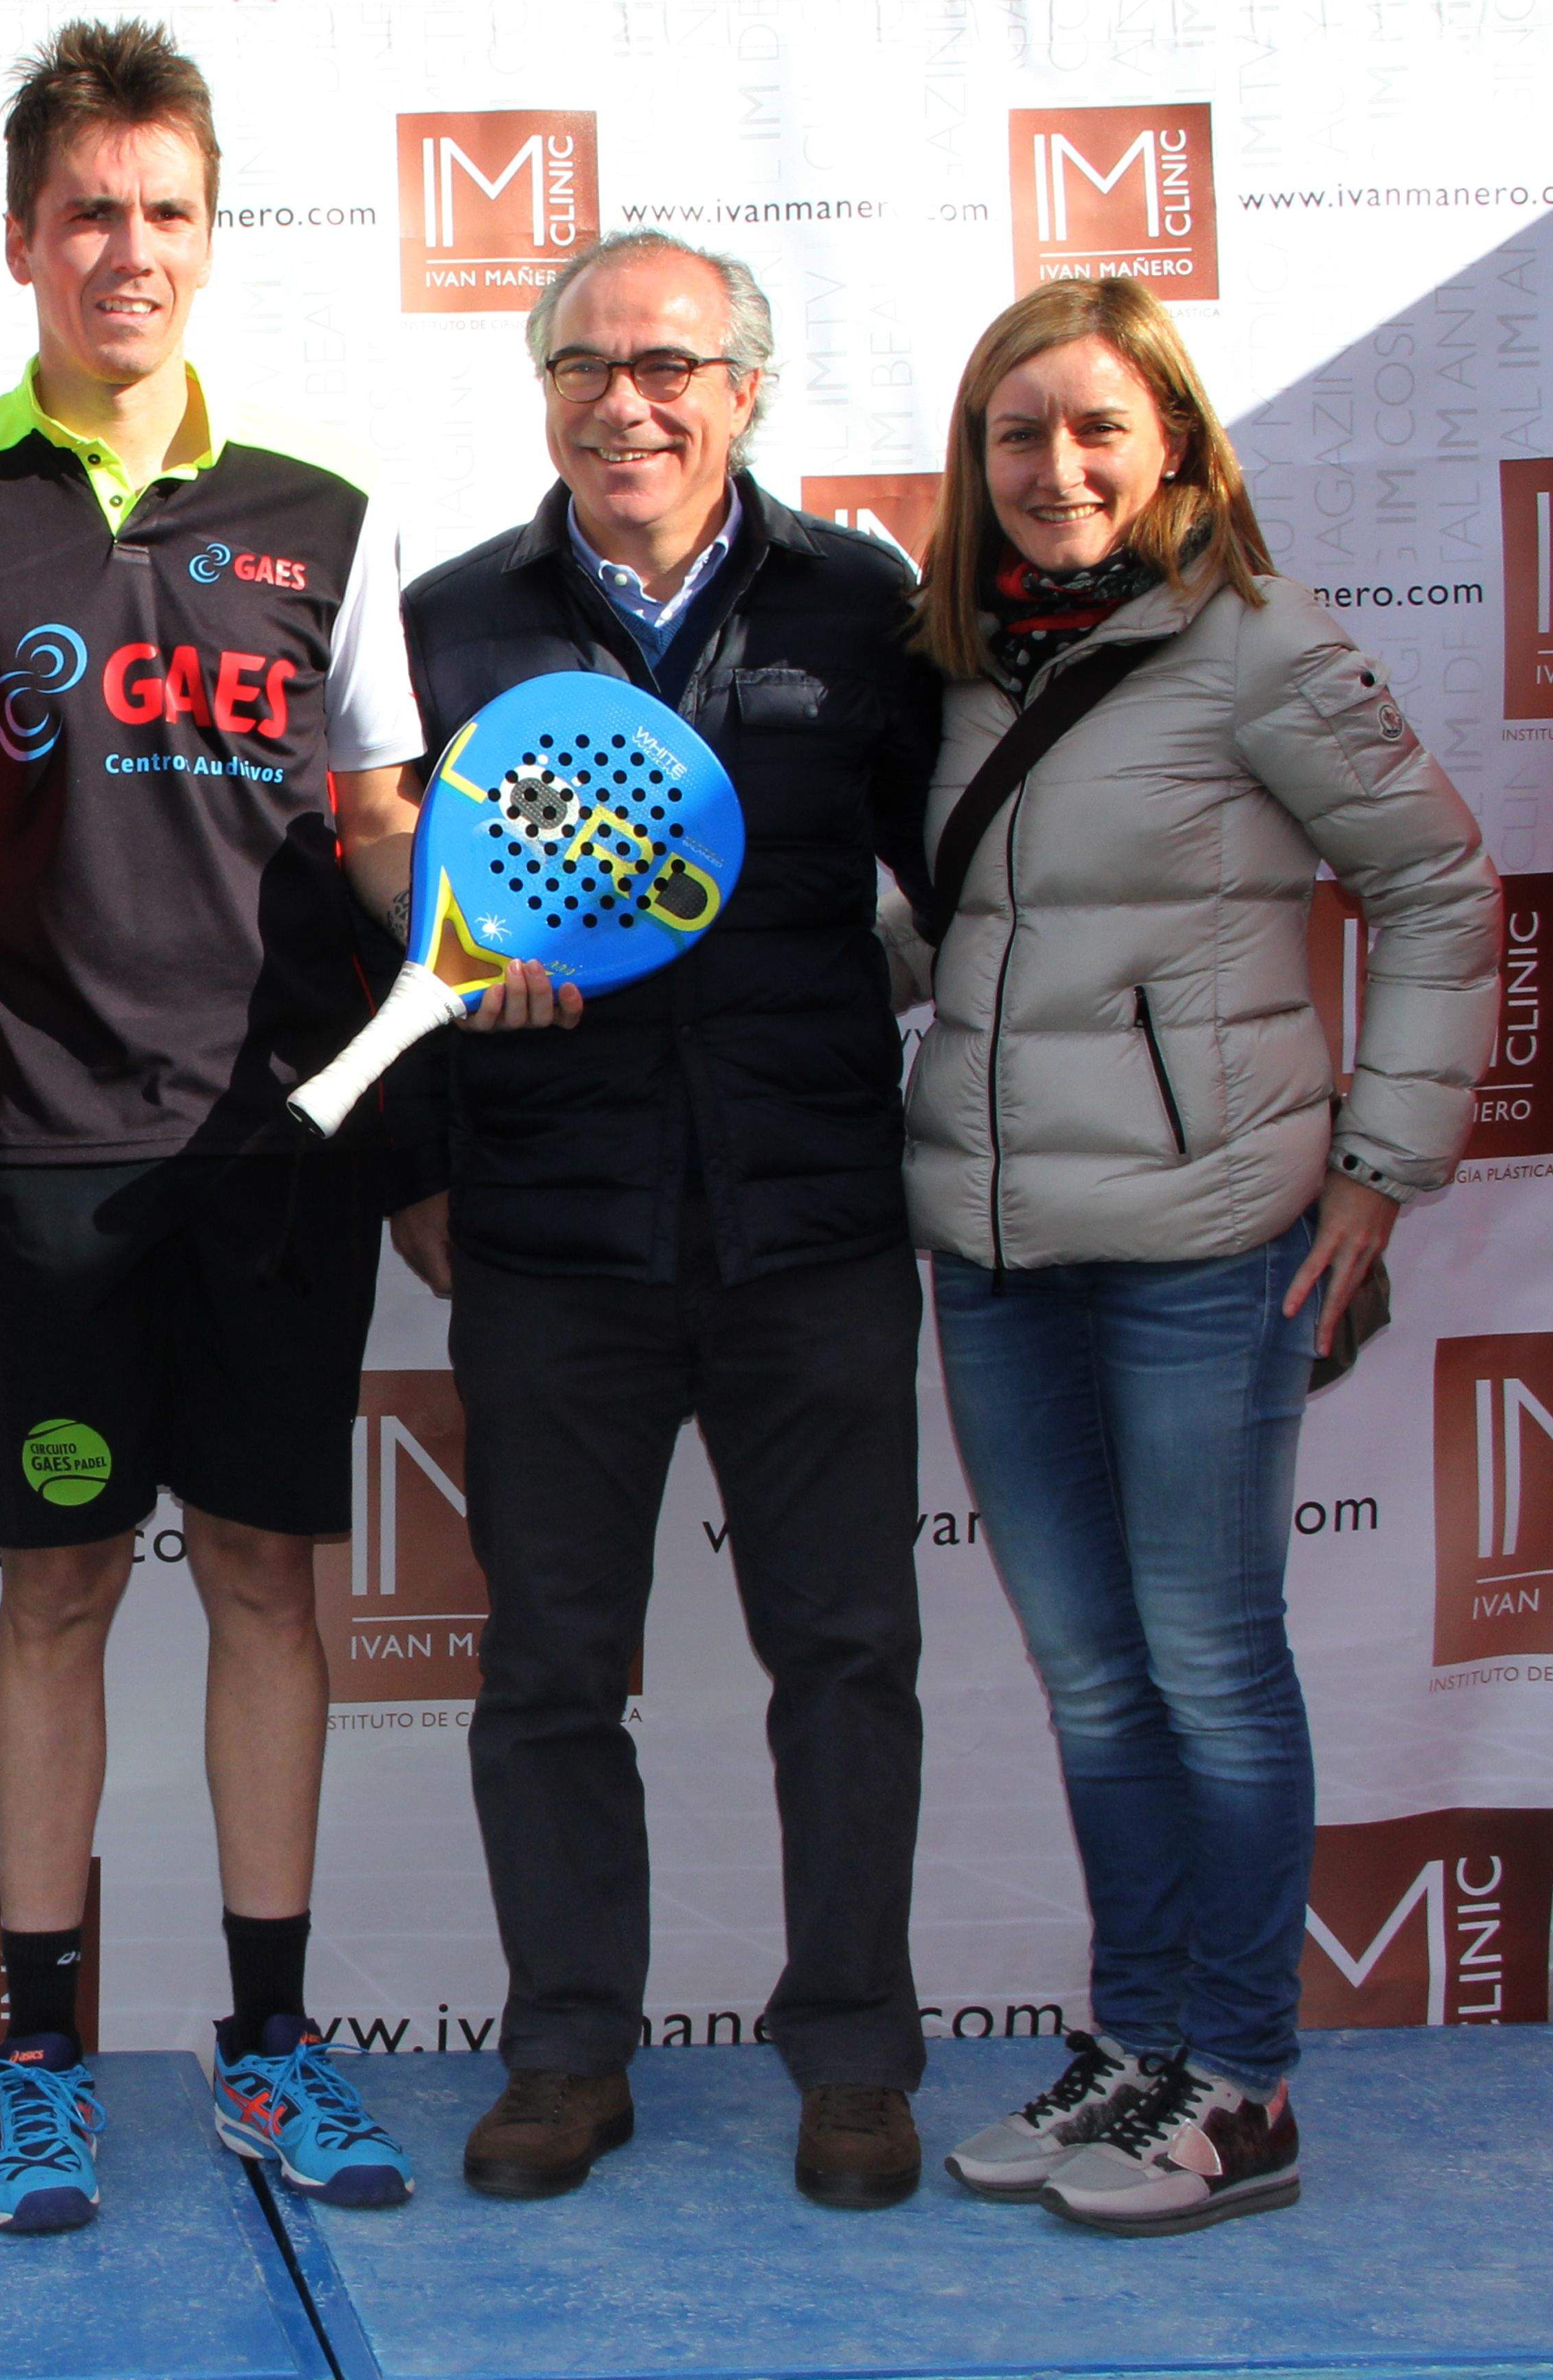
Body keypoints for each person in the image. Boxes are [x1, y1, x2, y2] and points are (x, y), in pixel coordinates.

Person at [0, 18, 462, 2231]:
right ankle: (38, 2064)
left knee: (274, 1579)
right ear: (20, 234)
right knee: (64, 1587)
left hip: (281, 1163)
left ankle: (272, 2058)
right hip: (43, 1167)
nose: (128, 251)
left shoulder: (329, 509)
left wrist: (474, 924)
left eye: (166, 212)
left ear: (212, 234)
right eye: (88, 210)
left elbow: (377, 819)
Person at [907, 277, 1497, 2235]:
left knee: (1212, 1671)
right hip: (994, 1252)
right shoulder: (968, 668)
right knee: (1092, 1677)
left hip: (1197, 1251)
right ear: (974, 463)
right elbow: (951, 939)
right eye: (1018, 434)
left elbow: (1436, 887)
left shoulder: (1258, 647)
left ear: (1175, 444)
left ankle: (1243, 2083)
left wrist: (1381, 1171)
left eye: (1096, 429)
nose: (1056, 469)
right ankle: (1137, 2043)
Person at [382, 229, 945, 2208]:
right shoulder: (452, 618)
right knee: (549, 1670)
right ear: (541, 388)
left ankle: (857, 2054)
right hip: (554, 1243)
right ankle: (567, 2051)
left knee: (851, 1654)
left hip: (813, 1233)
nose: (629, 399)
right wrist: (424, 1171)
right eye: (588, 364)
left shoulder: (869, 609)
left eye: (671, 365)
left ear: (746, 391)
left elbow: (963, 889)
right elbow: (387, 922)